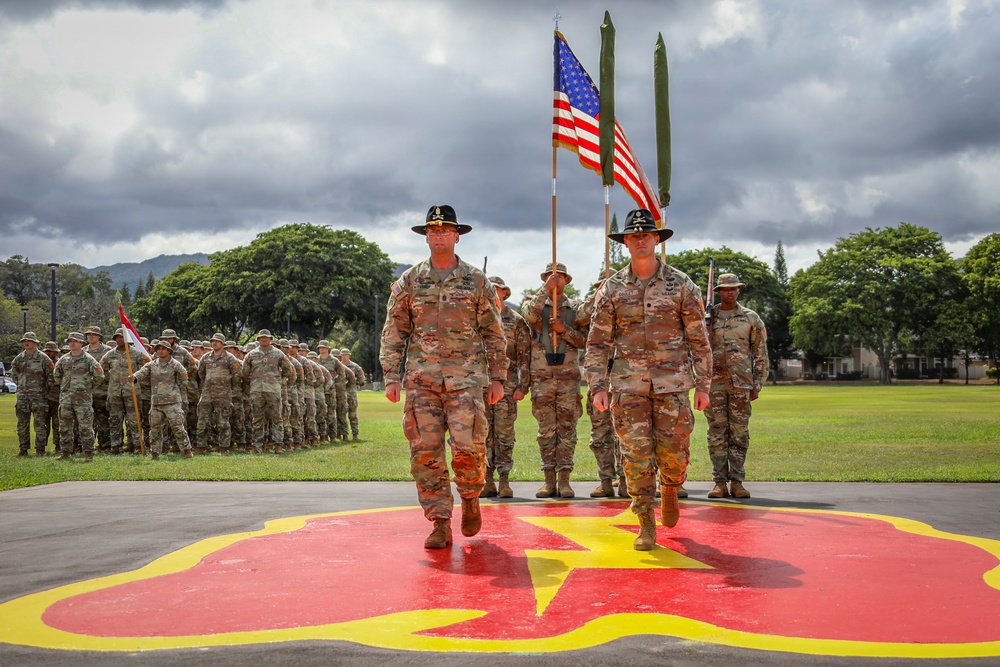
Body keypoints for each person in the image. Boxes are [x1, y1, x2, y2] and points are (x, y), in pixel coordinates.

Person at [380, 204, 508, 549]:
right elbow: (394, 331)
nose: (439, 236)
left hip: (466, 380)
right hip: (422, 382)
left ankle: (470, 496)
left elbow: (493, 332)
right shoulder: (410, 281)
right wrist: (391, 374)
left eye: (445, 231)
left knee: (469, 449)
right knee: (426, 453)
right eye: (433, 231)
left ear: (456, 236)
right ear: (426, 237)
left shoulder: (476, 281)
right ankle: (440, 521)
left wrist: (498, 376)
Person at [585, 209, 712, 551]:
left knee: (674, 455)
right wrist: (597, 386)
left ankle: (670, 486)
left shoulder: (680, 284)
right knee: (635, 455)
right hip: (628, 386)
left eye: (645, 235)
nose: (640, 240)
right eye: (633, 236)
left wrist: (703, 385)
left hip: (673, 384)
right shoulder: (612, 288)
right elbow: (597, 343)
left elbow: (699, 339)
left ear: (656, 239)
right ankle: (645, 520)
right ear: (625, 242)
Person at [523, 262, 588, 498]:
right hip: (542, 379)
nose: (555, 279)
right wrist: (544, 291)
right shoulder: (535, 303)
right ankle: (549, 481)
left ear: (567, 280)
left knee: (568, 430)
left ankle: (565, 481)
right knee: (546, 431)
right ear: (544, 279)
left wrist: (564, 330)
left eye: (560, 276)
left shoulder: (576, 309)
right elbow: (529, 316)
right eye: (551, 276)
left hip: (568, 379)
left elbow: (585, 341)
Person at [704, 273, 769, 499]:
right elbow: (697, 350)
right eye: (725, 289)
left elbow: (760, 353)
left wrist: (757, 383)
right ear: (719, 291)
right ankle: (719, 482)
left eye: (733, 288)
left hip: (741, 383)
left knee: (739, 433)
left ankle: (737, 481)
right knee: (717, 434)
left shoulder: (750, 318)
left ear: (739, 290)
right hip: (714, 385)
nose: (729, 292)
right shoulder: (707, 319)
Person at [480, 276, 531, 499]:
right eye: (489, 289)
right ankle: (487, 480)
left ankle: (504, 480)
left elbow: (524, 357)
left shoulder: (516, 321)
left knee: (504, 435)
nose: (493, 293)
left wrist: (523, 386)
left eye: (497, 289)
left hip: (507, 387)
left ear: (505, 293)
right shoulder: (478, 318)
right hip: (481, 385)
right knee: (483, 434)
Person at [578, 281, 627, 498]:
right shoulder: (592, 308)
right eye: (601, 287)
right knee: (600, 435)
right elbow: (580, 318)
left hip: (623, 379)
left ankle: (625, 480)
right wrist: (597, 297)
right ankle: (605, 480)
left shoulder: (626, 304)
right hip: (599, 381)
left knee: (625, 433)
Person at [130, 340, 193, 459]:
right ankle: (155, 453)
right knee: (155, 430)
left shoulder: (175, 364)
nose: (160, 351)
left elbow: (184, 380)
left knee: (178, 428)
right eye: (158, 349)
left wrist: (174, 392)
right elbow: (142, 372)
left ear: (169, 351)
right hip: (156, 403)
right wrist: (134, 376)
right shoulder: (152, 364)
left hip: (172, 403)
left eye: (163, 349)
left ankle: (186, 450)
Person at [52, 332, 105, 461]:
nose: (72, 343)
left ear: (81, 343)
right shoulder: (64, 359)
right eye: (70, 341)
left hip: (83, 400)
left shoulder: (88, 359)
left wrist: (88, 387)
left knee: (85, 427)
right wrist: (65, 387)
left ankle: (88, 453)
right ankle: (65, 452)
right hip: (66, 399)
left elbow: (99, 376)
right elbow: (56, 375)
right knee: (64, 427)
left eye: (75, 341)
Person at [242, 329, 295, 454]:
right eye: (262, 338)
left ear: (270, 339)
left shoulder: (278, 354)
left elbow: (289, 371)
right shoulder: (251, 355)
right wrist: (253, 383)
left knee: (277, 418)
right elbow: (244, 373)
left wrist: (279, 382)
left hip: (273, 391)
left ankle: (278, 445)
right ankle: (257, 446)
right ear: (258, 340)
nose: (264, 339)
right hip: (257, 391)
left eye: (266, 337)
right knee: (257, 419)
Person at [196, 333, 242, 454]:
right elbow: (201, 373)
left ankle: (224, 447)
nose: (214, 343)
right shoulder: (205, 357)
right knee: (202, 420)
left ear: (223, 344)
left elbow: (237, 374)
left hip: (223, 395)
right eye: (213, 341)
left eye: (217, 341)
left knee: (223, 422)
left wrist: (227, 385)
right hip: (207, 394)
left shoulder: (230, 358)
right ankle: (201, 446)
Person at [11, 332, 54, 457]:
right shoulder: (18, 359)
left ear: (35, 343)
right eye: (24, 341)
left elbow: (51, 377)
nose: (26, 343)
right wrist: (22, 387)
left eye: (29, 341)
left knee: (40, 424)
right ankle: (23, 448)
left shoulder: (44, 358)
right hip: (23, 397)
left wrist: (43, 391)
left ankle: (40, 449)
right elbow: (15, 375)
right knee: (22, 424)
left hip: (39, 397)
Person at [100, 329, 142, 454]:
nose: (119, 339)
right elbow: (101, 369)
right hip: (115, 392)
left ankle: (136, 445)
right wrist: (112, 380)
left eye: (122, 337)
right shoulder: (110, 354)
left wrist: (137, 377)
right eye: (117, 337)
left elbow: (147, 367)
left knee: (134, 420)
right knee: (114, 419)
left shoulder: (136, 353)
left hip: (131, 391)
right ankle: (115, 446)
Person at [84, 325, 113, 452]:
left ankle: (105, 445)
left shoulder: (108, 351)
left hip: (103, 390)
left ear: (99, 336)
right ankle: (87, 445)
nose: (91, 336)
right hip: (87, 392)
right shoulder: (83, 351)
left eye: (94, 334)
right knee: (87, 421)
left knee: (104, 419)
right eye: (89, 334)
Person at [340, 348, 366, 440]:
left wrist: (353, 383)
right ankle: (344, 435)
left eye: (345, 355)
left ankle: (355, 434)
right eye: (342, 355)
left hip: (351, 394)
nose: (344, 356)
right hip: (341, 393)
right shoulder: (338, 365)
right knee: (342, 415)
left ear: (349, 356)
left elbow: (361, 378)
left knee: (352, 415)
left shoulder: (355, 366)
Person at [42, 341, 62, 455]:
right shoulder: (42, 363)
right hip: (44, 399)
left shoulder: (60, 363)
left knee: (57, 424)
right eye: (46, 351)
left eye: (50, 351)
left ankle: (58, 446)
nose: (48, 353)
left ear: (56, 352)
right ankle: (41, 447)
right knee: (43, 424)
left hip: (57, 399)